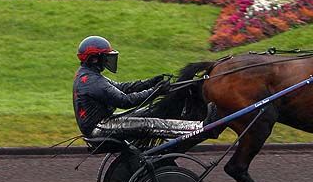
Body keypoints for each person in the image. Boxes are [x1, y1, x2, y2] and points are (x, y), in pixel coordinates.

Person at [73, 35, 212, 142]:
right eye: (105, 57)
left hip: (102, 123)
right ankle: (199, 128)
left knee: (148, 111)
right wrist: (156, 91)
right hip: (99, 128)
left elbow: (122, 88)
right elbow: (125, 101)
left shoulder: (88, 75)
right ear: (94, 59)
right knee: (149, 123)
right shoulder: (92, 81)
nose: (108, 60)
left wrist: (150, 82)